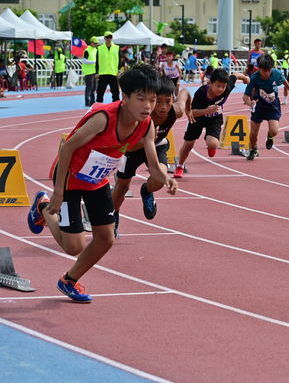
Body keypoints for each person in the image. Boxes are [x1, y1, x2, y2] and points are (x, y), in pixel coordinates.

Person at [27, 64, 177, 303]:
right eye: (141, 99)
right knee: (74, 246)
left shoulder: (147, 125)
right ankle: (44, 207)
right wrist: (57, 192)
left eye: (152, 99)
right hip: (70, 177)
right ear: (125, 97)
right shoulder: (103, 118)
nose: (148, 106)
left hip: (96, 179)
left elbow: (152, 161)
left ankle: (69, 279)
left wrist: (165, 178)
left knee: (106, 237)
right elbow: (67, 148)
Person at [112, 76, 189, 237]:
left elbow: (185, 92)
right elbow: (125, 144)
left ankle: (146, 190)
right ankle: (113, 217)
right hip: (131, 149)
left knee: (160, 177)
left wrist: (189, 109)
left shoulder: (175, 111)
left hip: (158, 145)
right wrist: (145, 141)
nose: (163, 107)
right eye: (158, 101)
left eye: (168, 101)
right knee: (122, 188)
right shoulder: (141, 116)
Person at [174, 69, 250, 177]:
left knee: (213, 143)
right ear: (210, 83)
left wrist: (245, 78)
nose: (220, 89)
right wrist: (206, 111)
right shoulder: (200, 93)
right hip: (197, 118)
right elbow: (192, 113)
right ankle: (180, 166)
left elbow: (235, 75)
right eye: (218, 86)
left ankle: (210, 144)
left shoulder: (227, 87)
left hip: (215, 118)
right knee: (188, 144)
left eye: (223, 87)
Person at [242, 55, 289, 160]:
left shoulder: (276, 74)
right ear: (259, 68)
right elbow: (245, 96)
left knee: (274, 131)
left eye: (269, 70)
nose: (267, 73)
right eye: (264, 71)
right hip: (259, 104)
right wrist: (249, 103)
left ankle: (269, 137)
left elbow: (284, 81)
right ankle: (253, 150)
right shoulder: (254, 78)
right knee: (254, 131)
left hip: (273, 105)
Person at [96, 31, 120, 103]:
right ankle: (98, 108)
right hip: (103, 73)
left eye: (110, 37)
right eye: (107, 37)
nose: (109, 39)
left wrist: (118, 71)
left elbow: (119, 60)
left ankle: (116, 107)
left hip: (113, 73)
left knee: (116, 93)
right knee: (100, 93)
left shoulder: (117, 48)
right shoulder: (99, 48)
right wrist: (96, 72)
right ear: (104, 38)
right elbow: (97, 61)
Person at [82, 37, 99, 107]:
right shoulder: (87, 50)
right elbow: (84, 60)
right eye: (95, 43)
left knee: (94, 87)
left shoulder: (96, 50)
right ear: (91, 42)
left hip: (94, 71)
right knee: (89, 87)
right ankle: (87, 102)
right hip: (88, 71)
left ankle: (92, 101)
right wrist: (93, 62)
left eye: (96, 43)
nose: (96, 44)